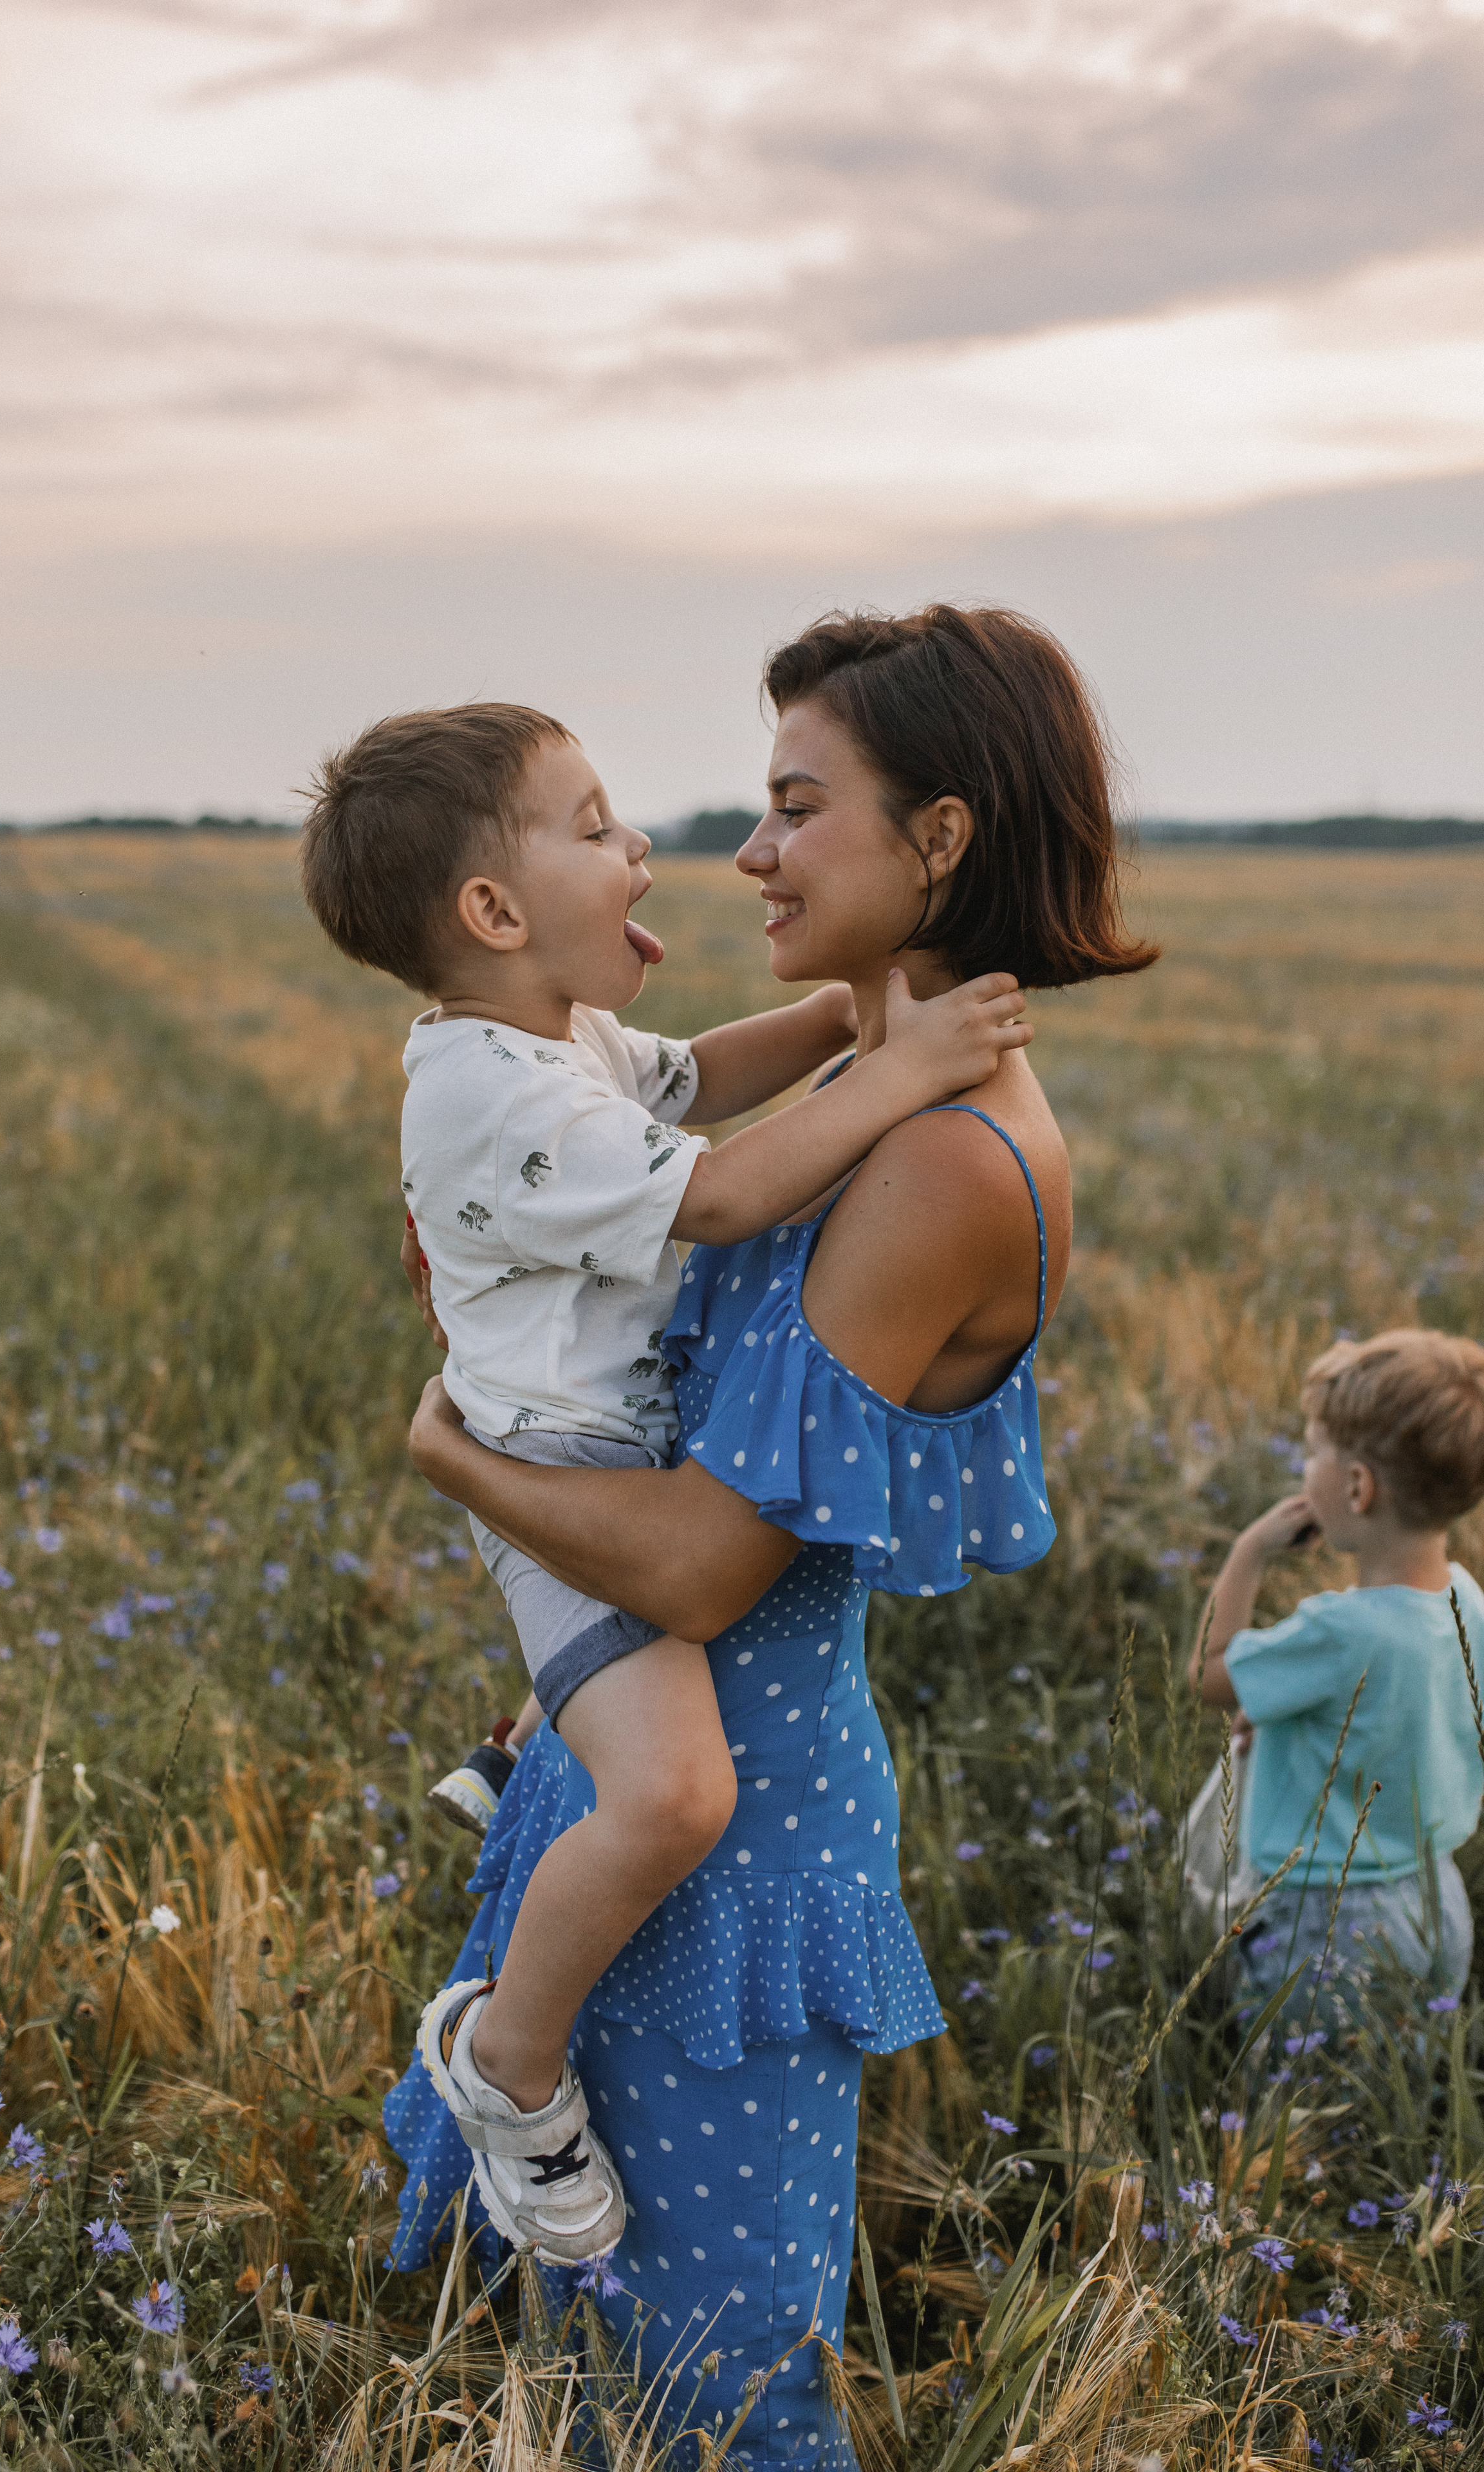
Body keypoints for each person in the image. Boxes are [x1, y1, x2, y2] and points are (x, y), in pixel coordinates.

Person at [385, 604, 1156, 2467]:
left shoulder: (942, 1156)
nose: (745, 851)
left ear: (944, 839)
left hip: (724, 1834)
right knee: (585, 2360)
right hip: (651, 1760)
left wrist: (453, 1453)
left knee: (715, 2391)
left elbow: (715, 1567)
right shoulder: (875, 1092)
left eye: (797, 805)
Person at [301, 700, 1033, 2260]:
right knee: (676, 1789)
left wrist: (854, 1025)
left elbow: (697, 1076)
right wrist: (904, 1071)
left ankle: (525, 1739)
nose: (645, 847)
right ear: (492, 914)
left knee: (647, 1746)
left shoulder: (550, 1037)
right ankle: (506, 2059)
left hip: (599, 1440)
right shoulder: (492, 1091)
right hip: (559, 1468)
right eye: (591, 827)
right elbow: (726, 1187)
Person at [1189, 1327, 1484, 2023]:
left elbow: (1208, 1674)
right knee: (1396, 2094)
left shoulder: (1338, 1633)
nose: (1303, 1467)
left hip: (1324, 1918)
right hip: (1436, 1898)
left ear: (1357, 1486)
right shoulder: (1467, 1603)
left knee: (1299, 2108)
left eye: (1313, 1450)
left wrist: (1246, 1555)